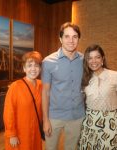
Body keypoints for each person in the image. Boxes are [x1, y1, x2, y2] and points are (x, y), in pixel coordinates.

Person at [41, 22, 85, 150]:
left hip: (77, 116)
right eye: (67, 36)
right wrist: (45, 120)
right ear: (60, 39)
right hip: (54, 117)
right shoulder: (48, 62)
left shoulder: (84, 60)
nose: (71, 40)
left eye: (75, 36)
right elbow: (45, 92)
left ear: (78, 39)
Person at [78, 44, 117, 149]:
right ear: (86, 61)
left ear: (102, 58)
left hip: (111, 123)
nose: (93, 61)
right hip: (89, 123)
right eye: (90, 58)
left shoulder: (114, 76)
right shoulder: (84, 79)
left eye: (97, 57)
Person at [3, 51, 43, 150]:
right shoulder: (15, 87)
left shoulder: (41, 85)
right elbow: (9, 112)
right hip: (20, 133)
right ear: (24, 68)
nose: (33, 69)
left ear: (40, 68)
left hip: (36, 131)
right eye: (29, 65)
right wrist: (12, 134)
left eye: (36, 65)